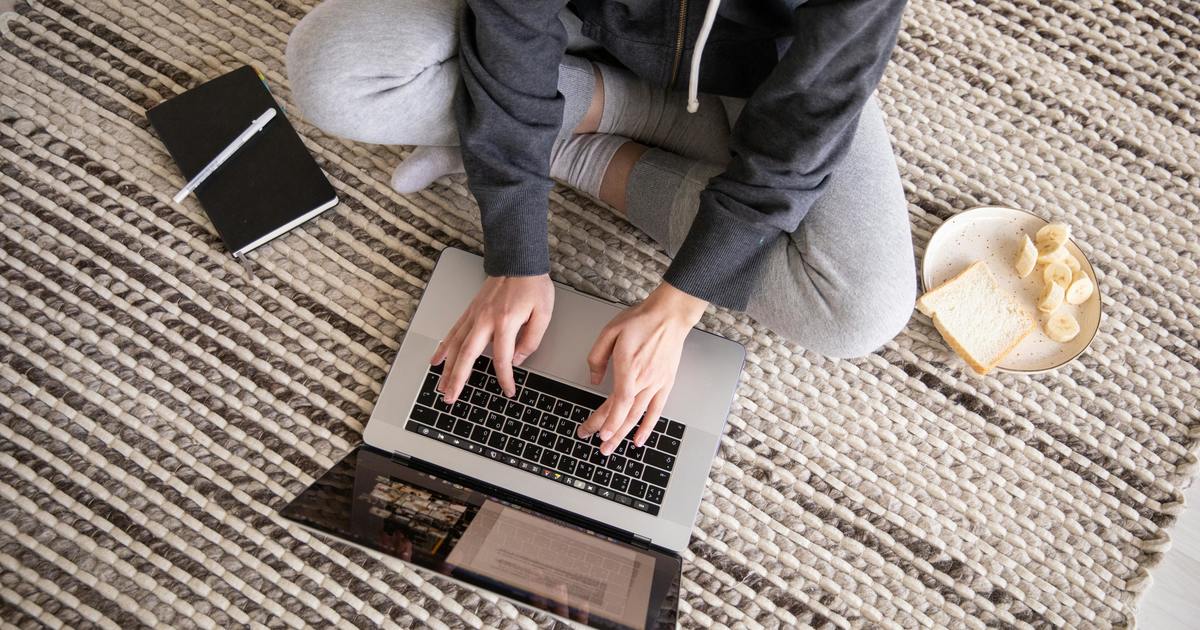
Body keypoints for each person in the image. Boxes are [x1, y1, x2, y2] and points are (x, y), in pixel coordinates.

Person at [286, 0, 916, 457]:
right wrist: (516, 256)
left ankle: (568, 132)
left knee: (860, 309)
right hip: (573, 21)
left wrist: (680, 302)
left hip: (769, 70)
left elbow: (805, 120)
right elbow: (509, 24)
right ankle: (580, 123)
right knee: (333, 72)